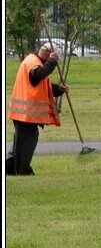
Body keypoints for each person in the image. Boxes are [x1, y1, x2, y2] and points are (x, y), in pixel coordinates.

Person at [7, 44, 67, 176]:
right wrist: (52, 62)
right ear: (47, 53)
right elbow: (38, 75)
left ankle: (10, 168)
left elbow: (42, 84)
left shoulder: (36, 62)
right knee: (27, 142)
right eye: (50, 59)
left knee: (21, 143)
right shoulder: (32, 62)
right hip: (25, 114)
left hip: (25, 114)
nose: (49, 64)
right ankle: (23, 171)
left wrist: (58, 89)